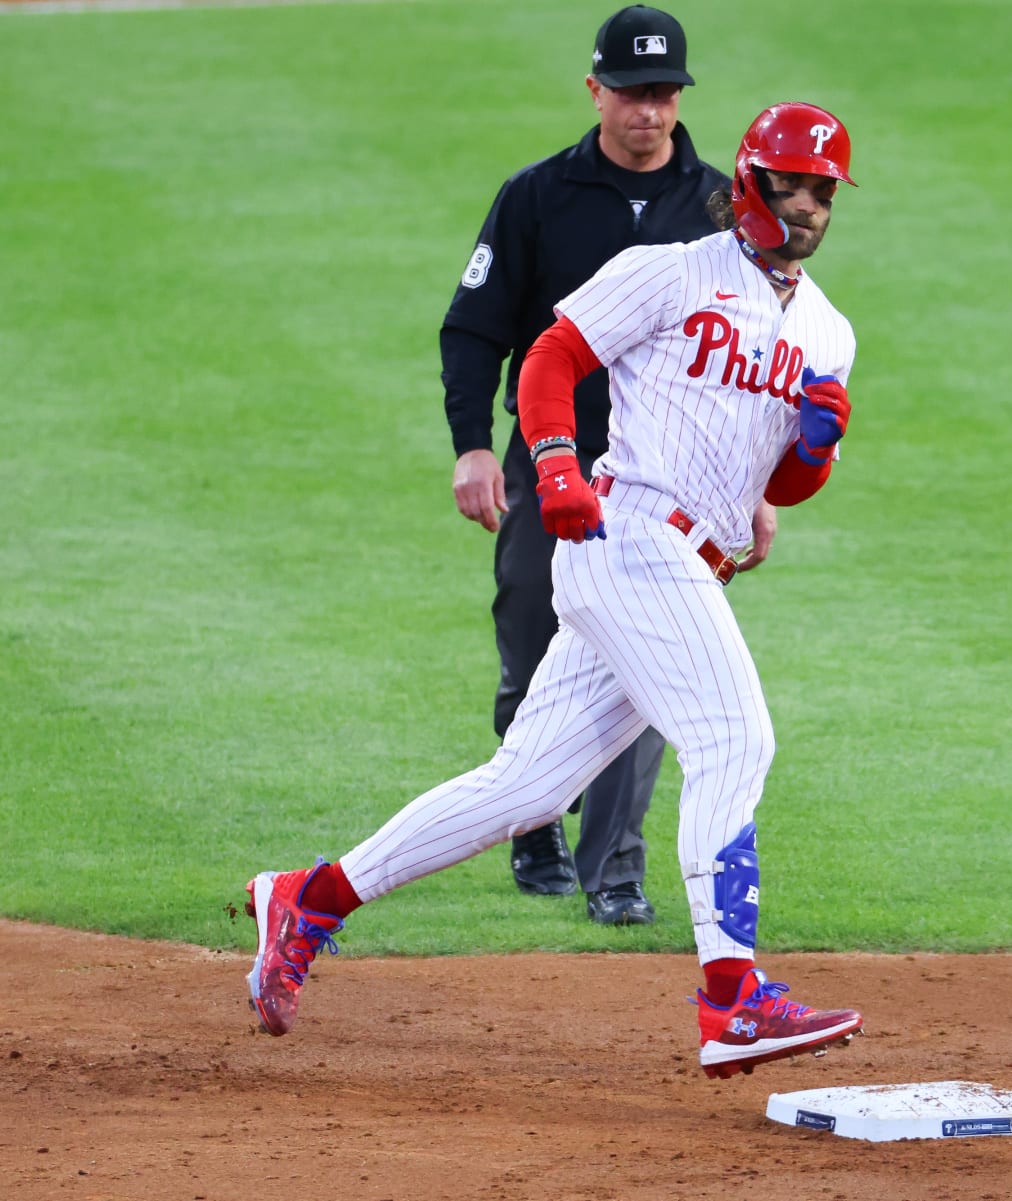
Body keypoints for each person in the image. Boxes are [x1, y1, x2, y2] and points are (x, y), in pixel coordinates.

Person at [246, 101, 865, 1081]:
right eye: (786, 183)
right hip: (626, 539)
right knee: (736, 739)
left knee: (525, 787)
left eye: (821, 189)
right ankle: (732, 997)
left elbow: (776, 488)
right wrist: (557, 462)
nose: (804, 204)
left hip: (688, 565)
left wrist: (815, 453)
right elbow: (551, 355)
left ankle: (310, 896)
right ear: (747, 183)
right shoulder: (672, 269)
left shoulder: (829, 333)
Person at [441, 4, 773, 923]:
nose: (649, 112)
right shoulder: (536, 195)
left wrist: (752, 484)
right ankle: (532, 817)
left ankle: (616, 867)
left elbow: (754, 348)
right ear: (596, 91)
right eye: (631, 93)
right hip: (546, 463)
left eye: (664, 93)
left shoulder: (717, 207)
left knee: (649, 671)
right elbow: (474, 329)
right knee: (530, 649)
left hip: (667, 489)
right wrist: (475, 444)